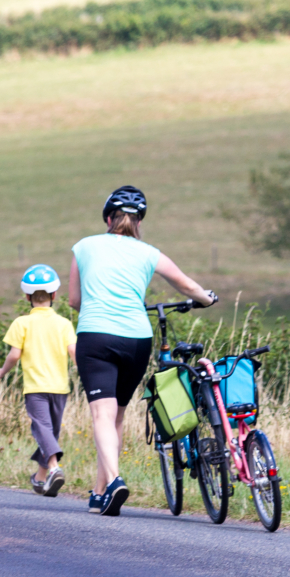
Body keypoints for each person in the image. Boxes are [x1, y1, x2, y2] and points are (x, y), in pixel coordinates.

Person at [68, 185, 217, 516]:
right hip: (136, 339)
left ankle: (115, 480)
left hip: (96, 336)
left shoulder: (84, 246)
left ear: (108, 218)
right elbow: (187, 285)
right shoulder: (150, 253)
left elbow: (74, 301)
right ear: (139, 222)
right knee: (117, 415)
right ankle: (100, 492)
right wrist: (206, 299)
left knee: (102, 415)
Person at [0, 264, 78, 496]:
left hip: (35, 388)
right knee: (50, 432)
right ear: (54, 295)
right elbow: (74, 352)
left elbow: (14, 355)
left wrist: (1, 372)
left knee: (43, 430)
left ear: (27, 297)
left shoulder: (22, 323)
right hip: (60, 387)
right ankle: (41, 479)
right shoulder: (64, 324)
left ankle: (54, 468)